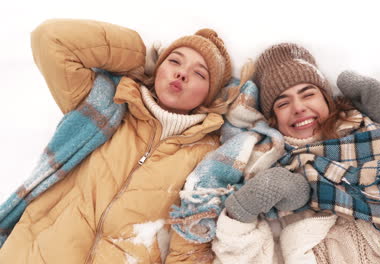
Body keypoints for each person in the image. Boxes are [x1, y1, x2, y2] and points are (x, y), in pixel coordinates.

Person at [0, 18, 235, 264]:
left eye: (199, 73)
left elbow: (189, 248)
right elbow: (50, 38)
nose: (182, 73)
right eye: (174, 60)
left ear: (210, 93)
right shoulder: (105, 105)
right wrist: (138, 59)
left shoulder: (209, 154)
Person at [212, 43, 380, 264]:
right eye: (283, 103)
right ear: (273, 119)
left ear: (327, 99)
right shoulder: (269, 169)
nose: (299, 108)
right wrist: (241, 212)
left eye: (308, 94)